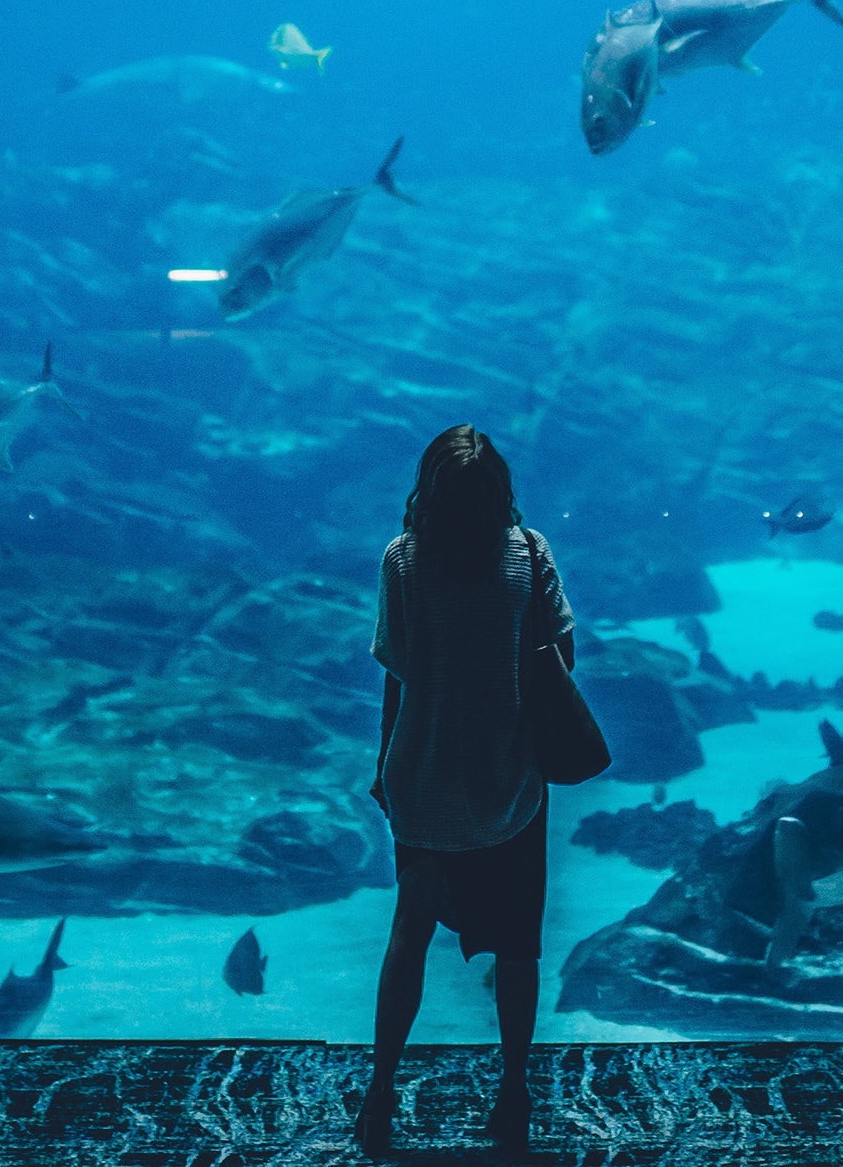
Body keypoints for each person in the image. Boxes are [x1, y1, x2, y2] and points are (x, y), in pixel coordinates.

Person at [357, 423, 574, 1158]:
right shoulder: (530, 552)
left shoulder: (403, 559)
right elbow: (562, 654)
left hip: (422, 773)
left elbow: (397, 671)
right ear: (499, 490)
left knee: (408, 936)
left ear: (430, 490)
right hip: (509, 777)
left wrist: (384, 765)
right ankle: (514, 1093)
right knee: (517, 947)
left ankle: (380, 1093)